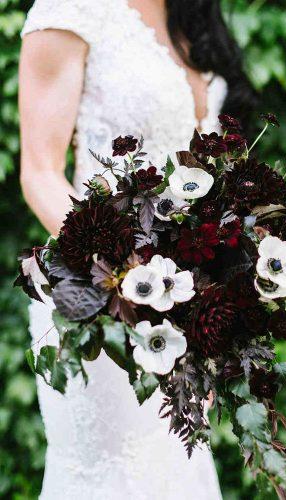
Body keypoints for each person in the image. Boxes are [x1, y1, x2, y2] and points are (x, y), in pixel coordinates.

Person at [19, 1, 254, 498]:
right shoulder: (73, 7)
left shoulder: (191, 15)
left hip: (186, 312)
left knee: (176, 469)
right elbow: (39, 170)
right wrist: (126, 274)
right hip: (98, 300)